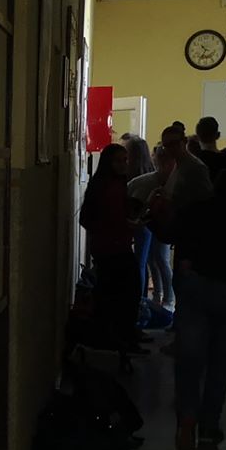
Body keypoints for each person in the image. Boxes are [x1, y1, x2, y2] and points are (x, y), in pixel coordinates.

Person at [167, 138, 226, 450]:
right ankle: (209, 426)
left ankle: (187, 418)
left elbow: (176, 238)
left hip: (196, 288)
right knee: (221, 365)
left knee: (189, 360)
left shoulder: (198, 210)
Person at [79, 142, 141, 355]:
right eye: (118, 161)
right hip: (111, 248)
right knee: (123, 294)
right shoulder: (105, 187)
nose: (123, 164)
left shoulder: (116, 183)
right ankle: (119, 338)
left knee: (120, 294)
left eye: (125, 160)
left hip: (115, 245)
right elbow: (95, 217)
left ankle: (120, 336)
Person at [128, 141, 174, 318]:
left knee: (157, 259)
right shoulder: (148, 179)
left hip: (155, 222)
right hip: (151, 221)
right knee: (155, 260)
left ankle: (165, 298)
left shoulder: (148, 180)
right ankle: (159, 297)